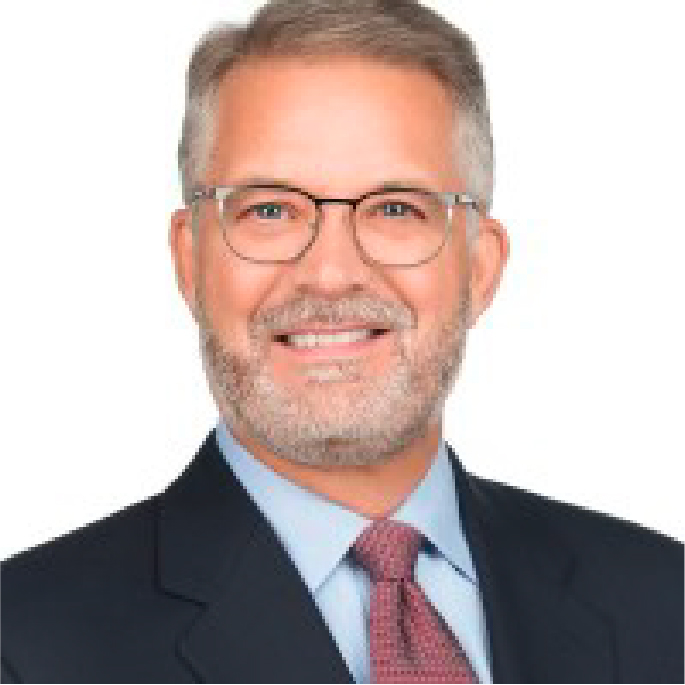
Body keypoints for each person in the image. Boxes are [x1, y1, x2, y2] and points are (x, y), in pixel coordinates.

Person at [1, 0, 682, 682]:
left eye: (395, 209)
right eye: (269, 209)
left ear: (479, 266)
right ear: (191, 258)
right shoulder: (26, 641)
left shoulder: (662, 602)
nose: (329, 275)